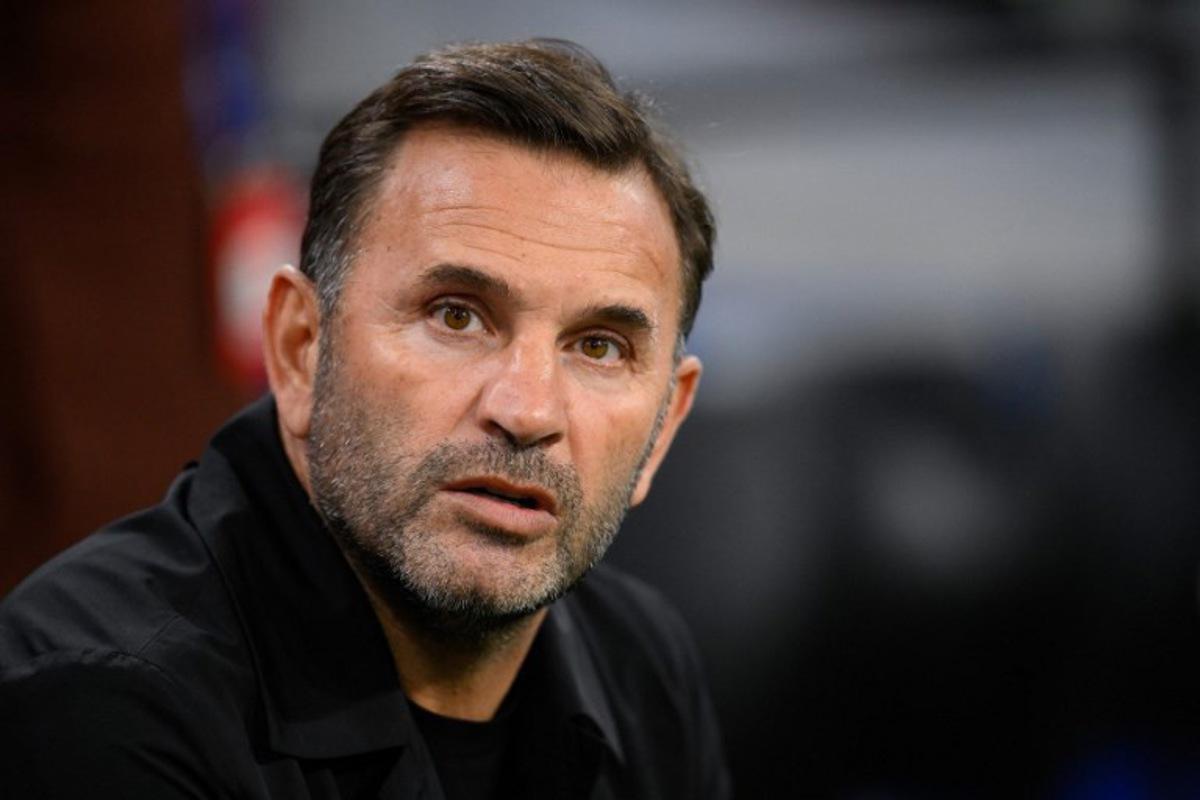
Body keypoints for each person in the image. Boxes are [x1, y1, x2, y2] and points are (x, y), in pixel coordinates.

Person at [0, 39, 731, 799]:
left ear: (663, 427)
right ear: (299, 348)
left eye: (599, 347)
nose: (527, 410)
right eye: (457, 316)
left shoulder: (642, 667)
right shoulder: (102, 706)